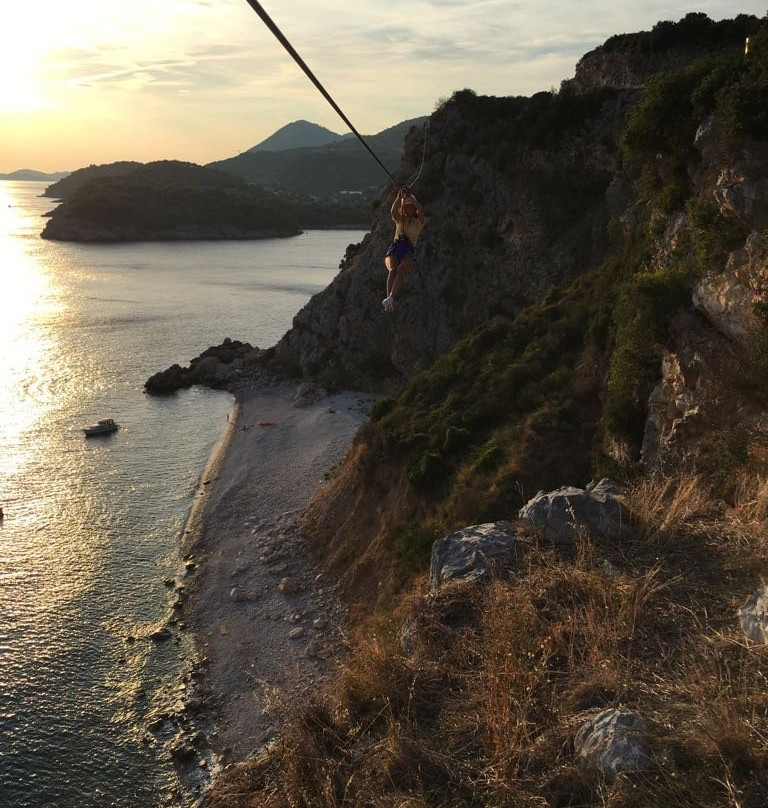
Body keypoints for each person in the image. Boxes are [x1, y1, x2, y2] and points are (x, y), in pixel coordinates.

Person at [382, 186, 426, 312]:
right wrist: (398, 198)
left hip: (408, 249)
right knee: (393, 270)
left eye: (409, 207)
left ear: (413, 208)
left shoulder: (418, 221)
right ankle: (388, 299)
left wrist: (411, 198)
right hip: (396, 247)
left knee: (400, 270)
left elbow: (421, 211)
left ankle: (390, 298)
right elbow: (393, 211)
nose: (407, 209)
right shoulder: (400, 220)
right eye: (405, 207)